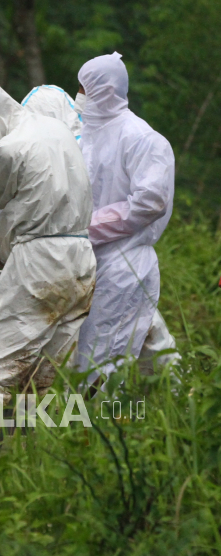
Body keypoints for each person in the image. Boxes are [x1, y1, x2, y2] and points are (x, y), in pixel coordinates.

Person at [0, 73, 96, 408]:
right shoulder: (55, 129)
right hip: (80, 259)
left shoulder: (10, 144)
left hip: (41, 263)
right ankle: (41, 455)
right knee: (47, 374)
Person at [74, 52, 176, 381]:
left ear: (103, 90)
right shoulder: (86, 135)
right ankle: (184, 406)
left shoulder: (141, 138)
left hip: (123, 266)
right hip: (90, 261)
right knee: (151, 353)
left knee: (100, 365)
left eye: (83, 88)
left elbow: (150, 202)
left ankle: (100, 427)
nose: (79, 96)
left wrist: (85, 227)